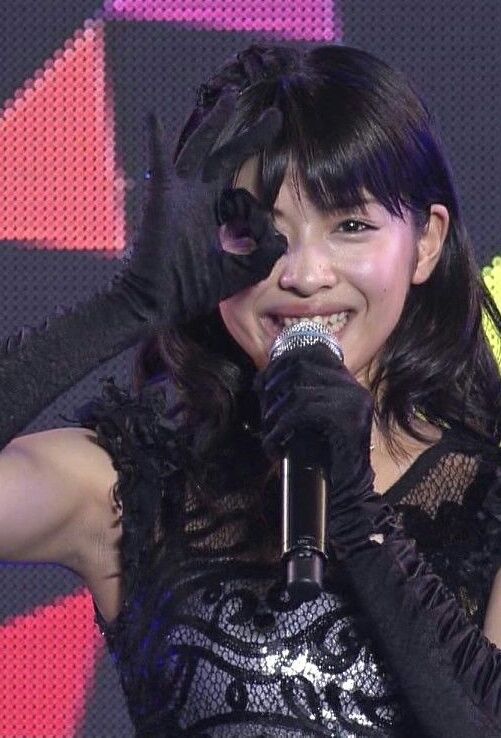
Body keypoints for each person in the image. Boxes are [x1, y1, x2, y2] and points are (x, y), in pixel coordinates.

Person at [0, 42, 500, 737]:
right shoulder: (130, 486)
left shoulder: (488, 490)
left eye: (351, 226)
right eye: (256, 231)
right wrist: (126, 308)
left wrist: (355, 513)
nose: (304, 274)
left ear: (425, 242)